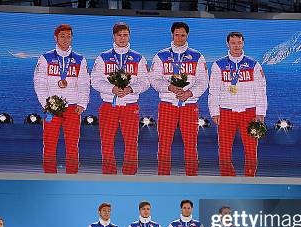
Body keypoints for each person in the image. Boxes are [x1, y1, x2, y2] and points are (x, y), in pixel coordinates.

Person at [91, 22, 150, 175]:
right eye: (119, 35)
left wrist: (131, 89)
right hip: (108, 105)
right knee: (107, 142)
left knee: (131, 142)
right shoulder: (103, 57)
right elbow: (95, 81)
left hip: (130, 106)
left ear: (129, 36)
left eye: (125, 35)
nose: (122, 38)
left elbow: (146, 82)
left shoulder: (138, 58)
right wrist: (112, 89)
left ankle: (130, 174)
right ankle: (109, 174)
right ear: (114, 36)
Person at [151, 22, 208, 176]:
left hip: (189, 105)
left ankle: (192, 176)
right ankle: (163, 177)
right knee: (164, 143)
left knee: (190, 144)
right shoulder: (161, 55)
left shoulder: (197, 56)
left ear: (187, 35)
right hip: (167, 104)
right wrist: (169, 87)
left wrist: (190, 93)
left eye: (183, 35)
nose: (180, 38)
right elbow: (154, 80)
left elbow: (203, 82)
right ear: (172, 35)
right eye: (177, 34)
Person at [208, 31, 267, 177]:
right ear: (228, 44)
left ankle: (250, 178)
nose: (236, 46)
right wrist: (214, 111)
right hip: (226, 113)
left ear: (243, 43)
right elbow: (213, 90)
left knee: (251, 148)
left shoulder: (253, 64)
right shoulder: (218, 65)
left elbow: (261, 90)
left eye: (239, 43)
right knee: (224, 149)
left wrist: (260, 112)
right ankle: (227, 179)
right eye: (233, 43)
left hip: (249, 113)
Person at [33, 24, 90, 174]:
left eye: (69, 36)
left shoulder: (79, 59)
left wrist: (82, 103)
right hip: (52, 109)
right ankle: (49, 176)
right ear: (56, 38)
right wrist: (47, 103)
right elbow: (39, 83)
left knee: (72, 145)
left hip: (72, 108)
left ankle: (72, 176)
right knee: (49, 144)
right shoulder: (45, 58)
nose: (66, 39)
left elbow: (84, 83)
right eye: (62, 36)